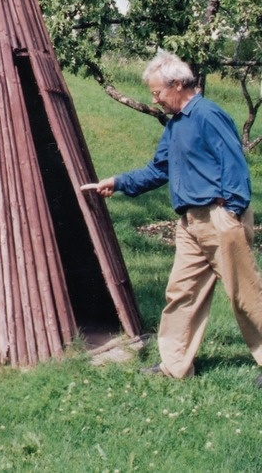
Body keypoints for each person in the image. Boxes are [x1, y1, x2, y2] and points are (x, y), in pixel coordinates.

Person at [86, 50, 262, 385]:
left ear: (178, 84)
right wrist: (118, 182)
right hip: (190, 223)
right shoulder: (176, 125)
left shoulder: (208, 115)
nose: (155, 99)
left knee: (246, 294)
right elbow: (158, 170)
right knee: (181, 293)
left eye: (158, 92)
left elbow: (235, 165)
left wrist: (231, 212)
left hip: (219, 218)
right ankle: (174, 366)